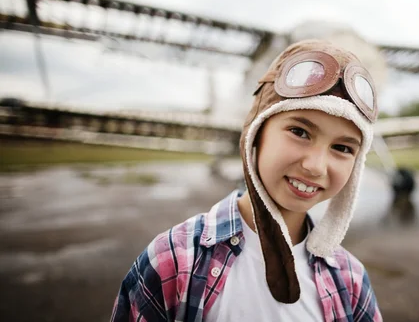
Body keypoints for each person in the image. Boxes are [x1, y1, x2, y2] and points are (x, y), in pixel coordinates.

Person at [110, 40, 383, 321]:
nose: (315, 166)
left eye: (343, 148)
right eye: (299, 132)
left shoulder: (352, 280)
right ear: (257, 132)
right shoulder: (172, 260)